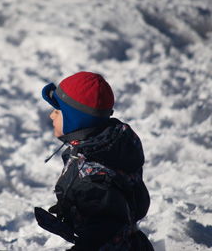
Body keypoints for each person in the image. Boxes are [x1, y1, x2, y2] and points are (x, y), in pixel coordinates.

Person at [34, 72, 154, 250]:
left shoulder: (94, 178)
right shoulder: (105, 146)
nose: (51, 116)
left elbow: (103, 234)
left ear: (75, 121)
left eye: (57, 111)